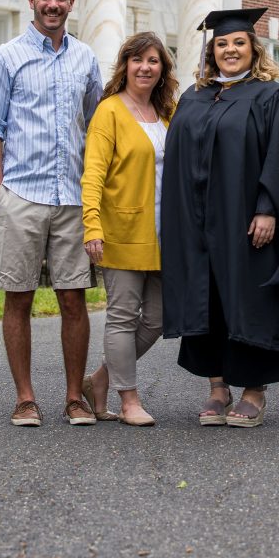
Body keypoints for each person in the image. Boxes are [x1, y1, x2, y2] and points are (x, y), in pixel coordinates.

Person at [161, 8, 279, 428]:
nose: (229, 50)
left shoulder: (272, 96)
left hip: (248, 221)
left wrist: (267, 208)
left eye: (238, 42)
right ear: (211, 52)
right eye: (221, 44)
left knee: (254, 300)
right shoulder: (194, 97)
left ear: (253, 49)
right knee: (208, 298)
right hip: (199, 223)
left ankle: (254, 391)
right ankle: (217, 388)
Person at [0, 0, 102, 427]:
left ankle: (74, 397)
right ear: (31, 1)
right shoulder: (5, 58)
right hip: (22, 196)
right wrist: (0, 191)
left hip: (71, 197)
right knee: (20, 299)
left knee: (74, 299)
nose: (53, 4)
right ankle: (25, 398)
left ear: (72, 3)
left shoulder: (86, 59)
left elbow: (95, 124)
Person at [81, 32, 178, 427]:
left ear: (162, 69)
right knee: (122, 316)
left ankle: (100, 379)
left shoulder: (167, 113)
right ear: (125, 66)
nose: (145, 67)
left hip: (163, 234)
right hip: (121, 228)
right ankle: (129, 400)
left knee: (157, 319)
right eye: (138, 60)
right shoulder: (110, 111)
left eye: (153, 61)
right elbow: (93, 173)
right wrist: (91, 225)